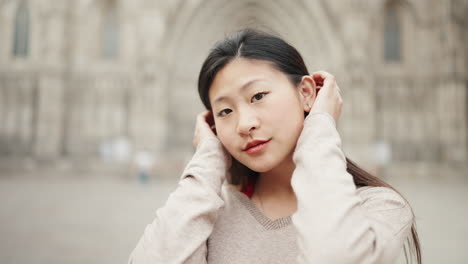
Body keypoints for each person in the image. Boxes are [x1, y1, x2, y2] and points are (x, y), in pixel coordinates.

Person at [128, 29, 421, 264]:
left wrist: (320, 125)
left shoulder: (380, 207)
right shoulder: (203, 214)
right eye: (225, 112)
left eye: (257, 96)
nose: (244, 124)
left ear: (306, 93)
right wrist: (207, 159)